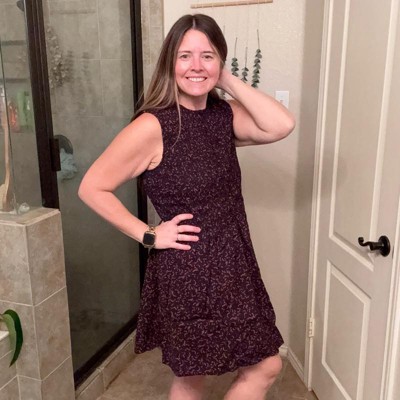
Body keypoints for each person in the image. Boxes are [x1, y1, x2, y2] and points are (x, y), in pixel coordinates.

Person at [79, 13, 295, 400]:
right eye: (184, 56)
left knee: (263, 365)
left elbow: (280, 125)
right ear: (170, 63)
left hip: (233, 263)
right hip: (189, 269)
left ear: (220, 61)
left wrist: (224, 79)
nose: (196, 65)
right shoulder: (153, 126)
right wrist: (148, 234)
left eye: (207, 56)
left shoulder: (222, 116)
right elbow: (92, 187)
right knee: (193, 376)